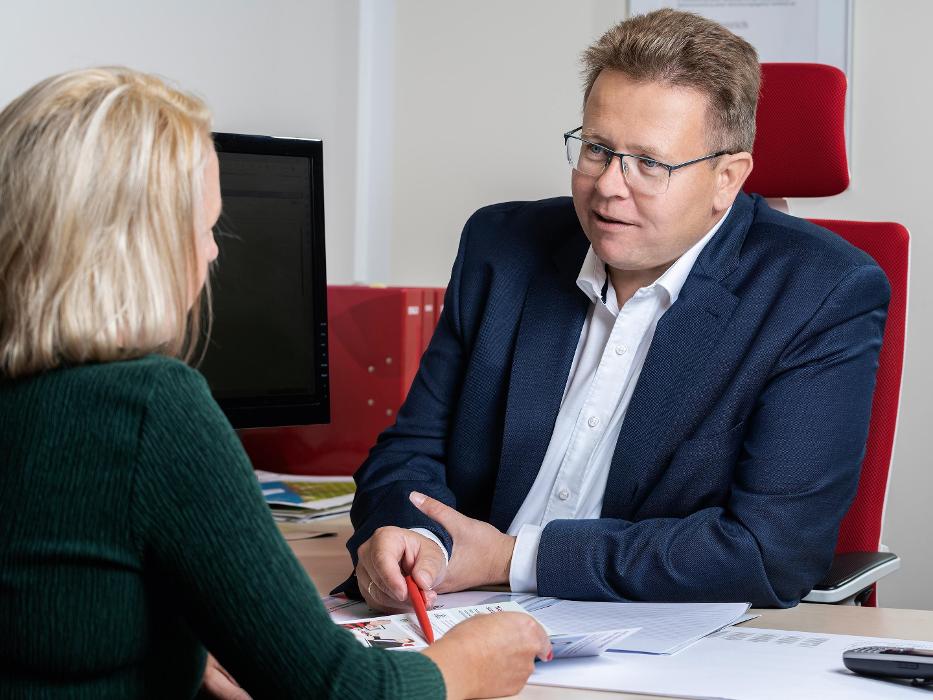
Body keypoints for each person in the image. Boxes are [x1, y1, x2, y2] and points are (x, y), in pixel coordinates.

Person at [0, 67, 550, 699]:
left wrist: (179, 652)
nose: (213, 253)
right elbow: (337, 690)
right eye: (205, 229)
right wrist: (466, 663)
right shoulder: (150, 409)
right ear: (138, 250)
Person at [344, 9, 890, 611]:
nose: (608, 185)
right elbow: (408, 453)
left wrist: (510, 559)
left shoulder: (822, 292)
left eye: (650, 164)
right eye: (597, 149)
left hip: (651, 632)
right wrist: (418, 539)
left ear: (727, 179)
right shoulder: (501, 246)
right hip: (456, 611)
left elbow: (769, 551)